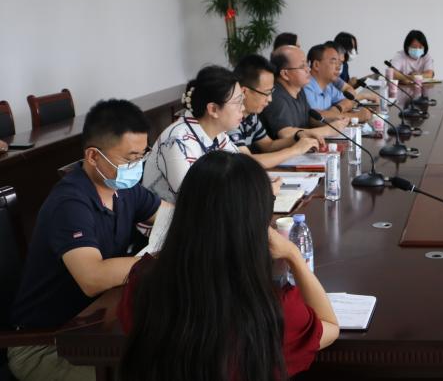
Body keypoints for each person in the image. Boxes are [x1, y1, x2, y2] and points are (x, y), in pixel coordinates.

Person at [118, 151, 339, 380]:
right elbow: (330, 327)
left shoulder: (142, 282)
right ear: (257, 220)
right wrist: (293, 254)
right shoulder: (270, 306)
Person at [8, 100, 165, 381]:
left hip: (95, 326)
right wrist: (161, 259)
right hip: (44, 345)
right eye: (130, 159)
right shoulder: (70, 203)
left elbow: (172, 216)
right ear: (93, 156)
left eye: (142, 155)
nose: (137, 166)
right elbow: (93, 277)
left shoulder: (123, 188)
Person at [143, 66, 244, 204]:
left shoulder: (218, 134)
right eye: (238, 102)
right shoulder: (176, 141)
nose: (243, 108)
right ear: (213, 109)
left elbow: (240, 172)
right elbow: (193, 200)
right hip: (171, 216)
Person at [229, 54, 324, 168]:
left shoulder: (251, 115)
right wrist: (295, 150)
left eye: (271, 92)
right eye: (266, 93)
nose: (270, 99)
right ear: (244, 92)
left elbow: (268, 145)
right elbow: (247, 162)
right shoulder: (229, 118)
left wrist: (298, 136)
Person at [260, 46, 336, 141]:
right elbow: (285, 133)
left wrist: (335, 122)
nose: (308, 69)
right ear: (285, 74)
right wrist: (327, 130)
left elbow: (309, 118)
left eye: (307, 64)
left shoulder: (299, 89)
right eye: (302, 66)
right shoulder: (275, 96)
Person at [302, 43, 362, 120]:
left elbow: (351, 99)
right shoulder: (305, 87)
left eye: (339, 63)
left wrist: (337, 109)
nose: (338, 68)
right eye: (333, 62)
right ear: (316, 65)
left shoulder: (328, 86)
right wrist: (358, 116)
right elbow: (316, 118)